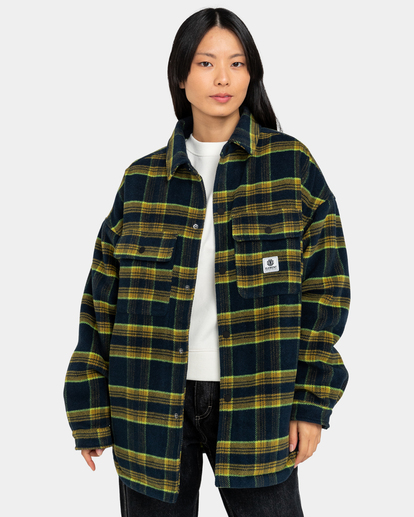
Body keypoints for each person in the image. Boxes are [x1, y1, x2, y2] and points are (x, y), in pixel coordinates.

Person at [64, 7, 350, 517]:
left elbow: (326, 290)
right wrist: (88, 408)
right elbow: (100, 301)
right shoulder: (141, 181)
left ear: (251, 74)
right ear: (181, 74)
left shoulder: (291, 167)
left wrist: (311, 401)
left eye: (237, 64)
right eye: (206, 63)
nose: (223, 78)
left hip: (260, 400)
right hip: (147, 401)